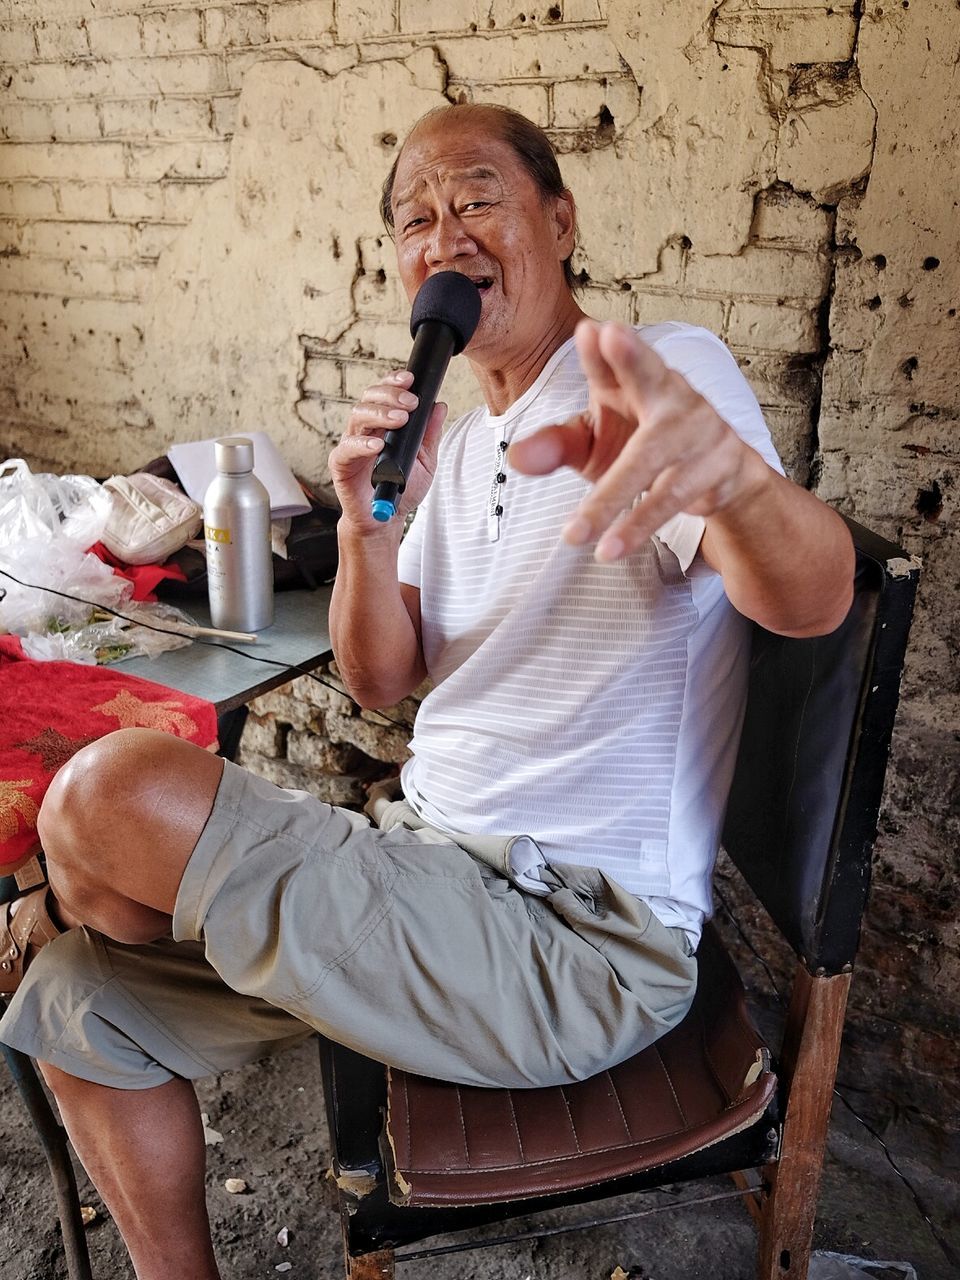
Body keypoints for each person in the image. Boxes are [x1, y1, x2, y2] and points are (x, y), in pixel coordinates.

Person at [0, 103, 854, 1280]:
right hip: (426, 861)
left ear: (559, 217)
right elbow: (380, 678)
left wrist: (740, 490)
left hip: (577, 936)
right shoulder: (445, 442)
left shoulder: (656, 374)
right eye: (416, 217)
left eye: (478, 198)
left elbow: (807, 600)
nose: (444, 234)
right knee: (81, 1000)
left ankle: (54, 899)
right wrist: (362, 522)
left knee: (106, 801)